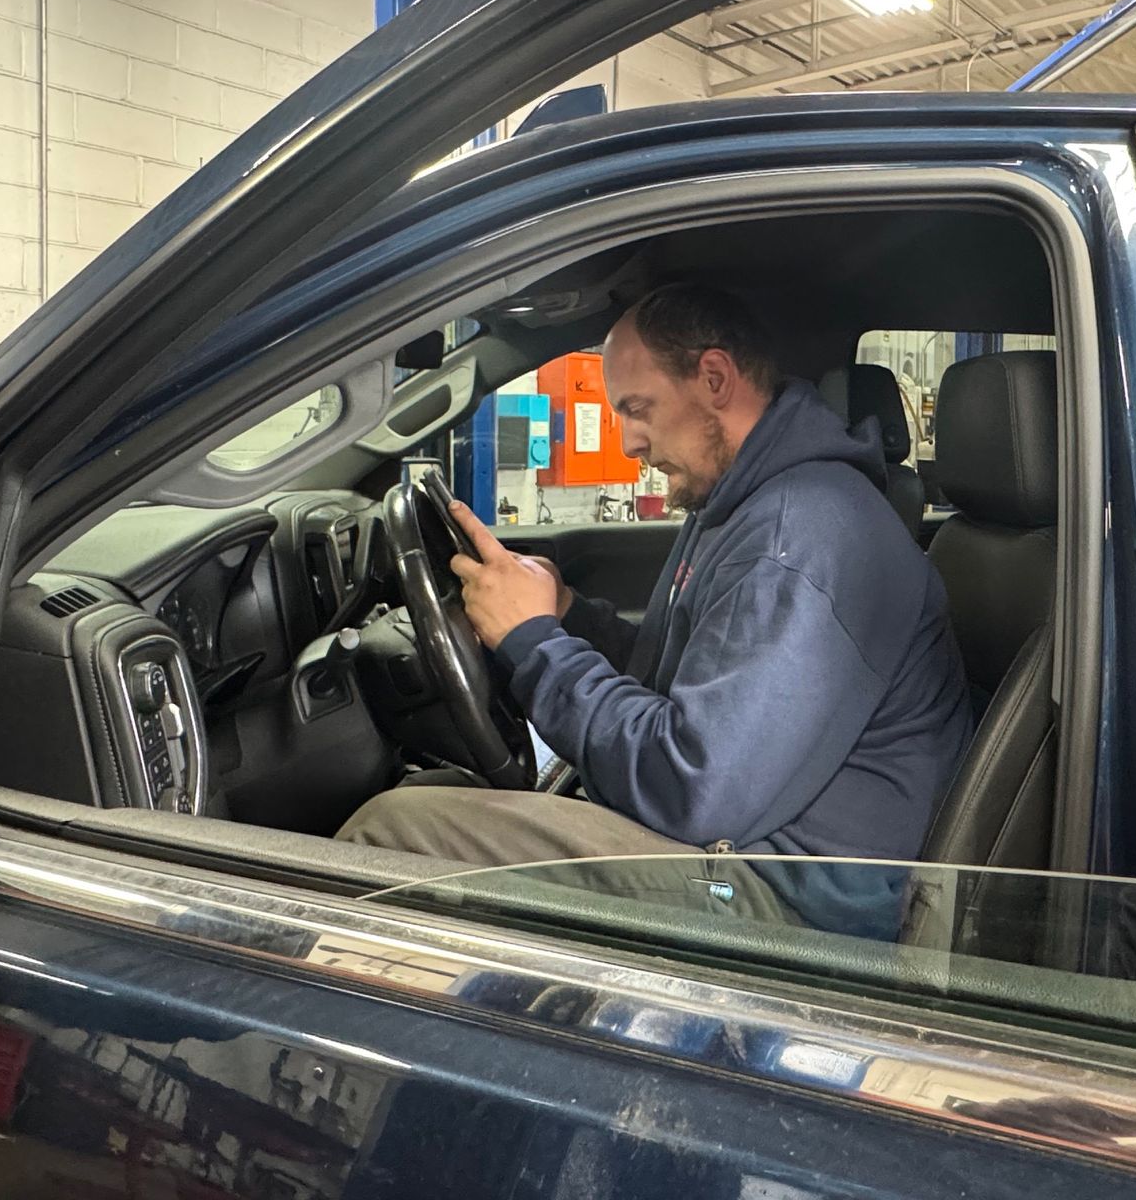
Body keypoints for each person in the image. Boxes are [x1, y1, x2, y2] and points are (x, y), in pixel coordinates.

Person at [338, 283, 973, 905]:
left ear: (715, 379)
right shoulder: (740, 504)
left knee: (390, 833)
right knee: (449, 793)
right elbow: (673, 681)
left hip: (793, 898)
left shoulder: (798, 536)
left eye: (637, 410)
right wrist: (562, 616)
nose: (627, 442)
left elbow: (693, 792)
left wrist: (533, 645)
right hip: (750, 845)